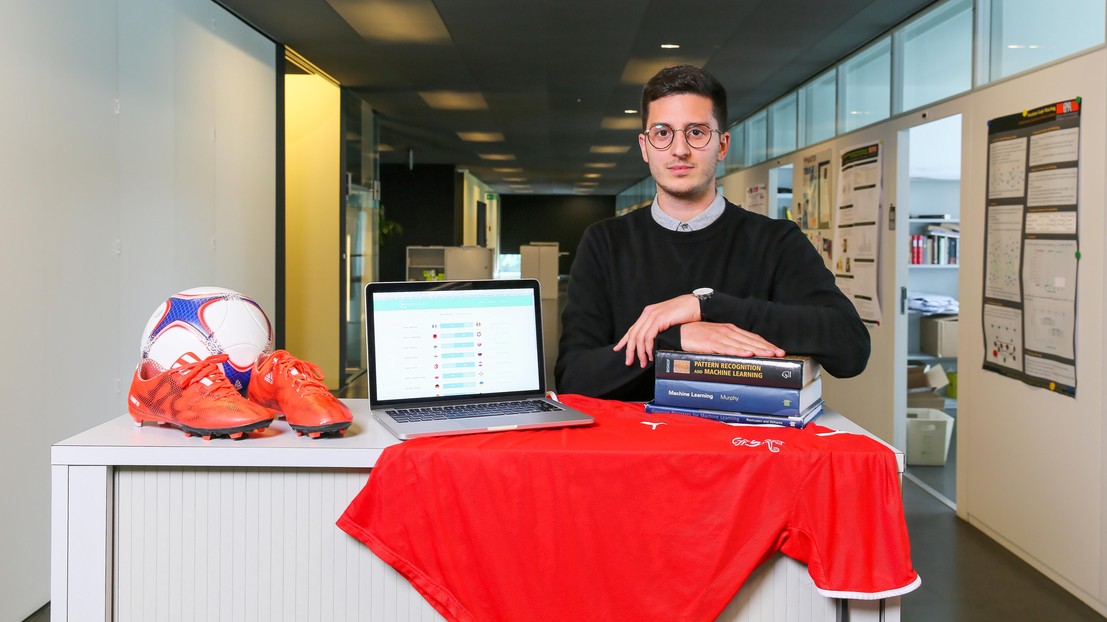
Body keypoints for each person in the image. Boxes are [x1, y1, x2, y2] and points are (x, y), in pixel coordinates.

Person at [554, 64, 869, 401]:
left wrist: (705, 306)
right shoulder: (605, 243)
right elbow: (574, 378)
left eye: (697, 132)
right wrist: (676, 339)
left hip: (747, 449)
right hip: (636, 449)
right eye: (663, 133)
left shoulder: (775, 241)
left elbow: (850, 347)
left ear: (722, 145)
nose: (679, 150)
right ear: (645, 147)